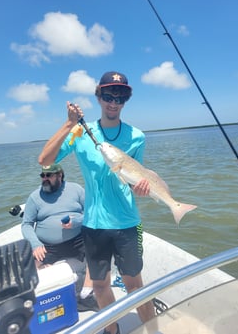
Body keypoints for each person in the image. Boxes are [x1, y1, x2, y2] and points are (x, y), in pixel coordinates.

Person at [38, 71, 156, 334]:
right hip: (93, 224)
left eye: (121, 96)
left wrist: (142, 188)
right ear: (99, 96)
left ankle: (152, 330)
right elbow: (45, 160)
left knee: (135, 285)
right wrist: (69, 124)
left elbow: (134, 178)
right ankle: (111, 331)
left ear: (126, 100)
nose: (114, 102)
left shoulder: (137, 136)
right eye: (108, 95)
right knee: (100, 286)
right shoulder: (81, 132)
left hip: (127, 223)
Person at [21, 163, 99, 313]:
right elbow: (27, 224)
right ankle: (33, 304)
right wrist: (35, 244)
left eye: (49, 175)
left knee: (99, 243)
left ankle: (87, 295)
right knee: (29, 270)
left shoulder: (76, 189)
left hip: (77, 240)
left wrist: (76, 222)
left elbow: (92, 213)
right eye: (42, 176)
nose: (45, 179)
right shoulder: (35, 197)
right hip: (46, 246)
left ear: (60, 175)